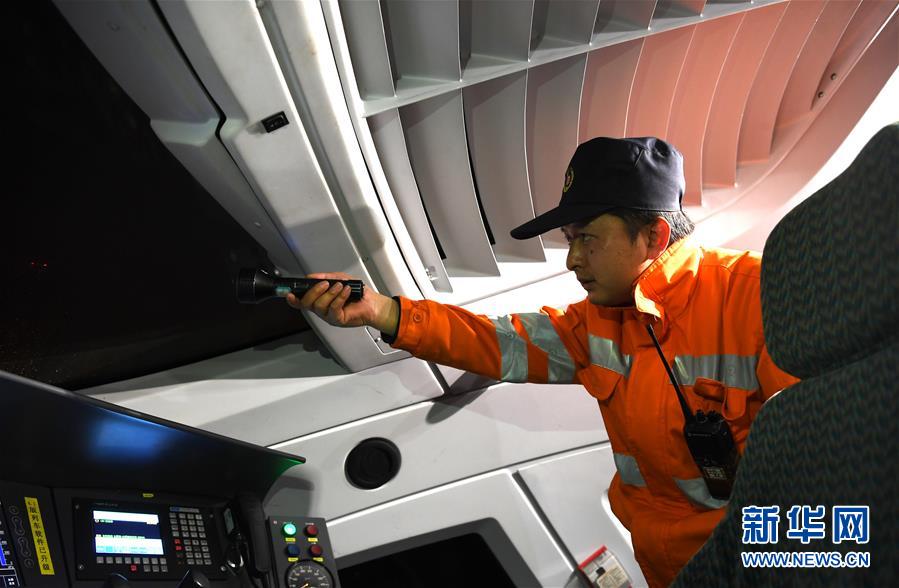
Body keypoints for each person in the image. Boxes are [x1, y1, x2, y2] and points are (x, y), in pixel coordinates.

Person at [288, 137, 799, 587]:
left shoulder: (759, 296)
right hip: (668, 569)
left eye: (586, 239)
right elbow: (494, 342)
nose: (573, 259)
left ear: (654, 236)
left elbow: (829, 461)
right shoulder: (596, 323)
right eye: (570, 240)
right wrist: (382, 311)